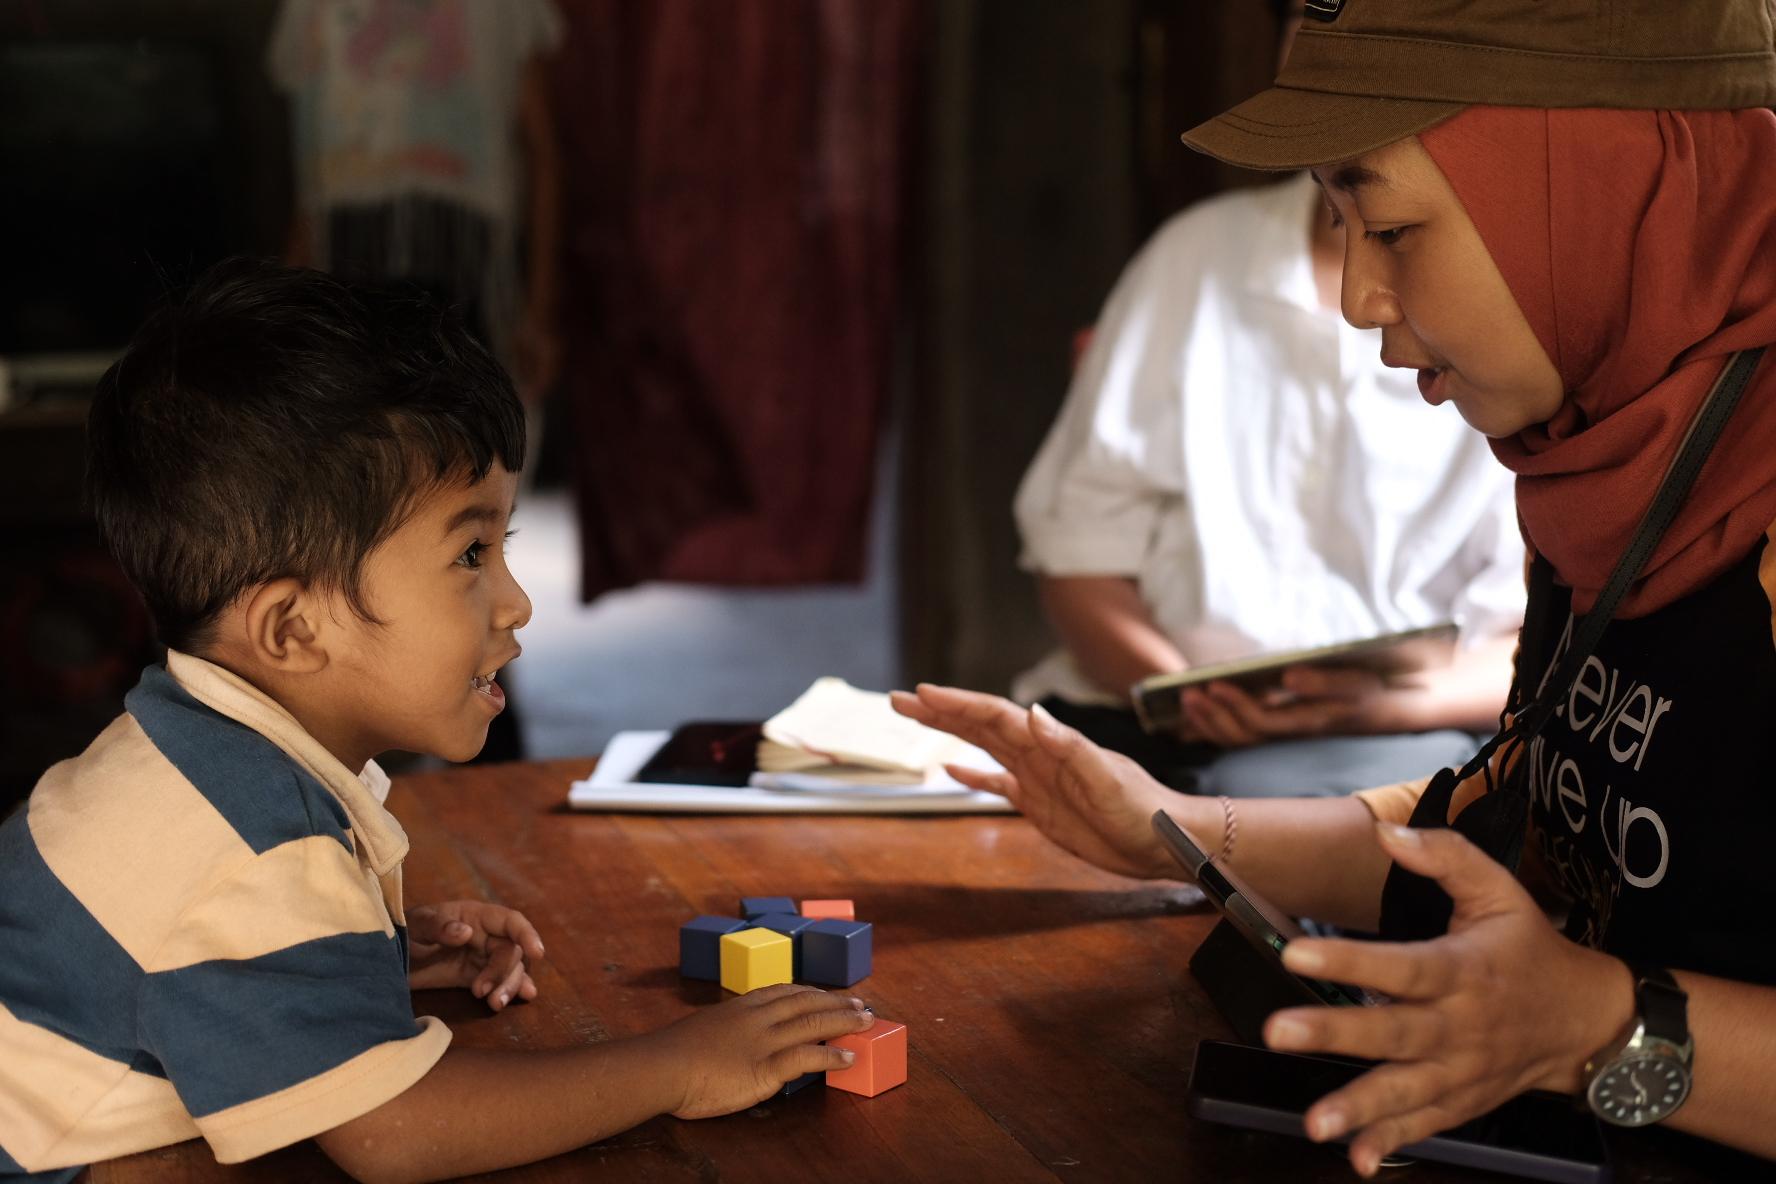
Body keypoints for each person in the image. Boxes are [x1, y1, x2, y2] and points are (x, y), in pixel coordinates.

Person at [896, 0, 1776, 1175]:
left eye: (1395, 227)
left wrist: (1596, 1027)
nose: (1361, 298)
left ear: (1607, 192)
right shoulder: (1607, 468)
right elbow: (1514, 827)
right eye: (1339, 224)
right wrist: (1172, 828)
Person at [0, 262, 872, 1184]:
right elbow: (396, 1134)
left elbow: (167, 963)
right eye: (469, 553)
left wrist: (364, 958)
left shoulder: (186, 749)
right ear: (292, 628)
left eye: (505, 546)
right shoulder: (254, 844)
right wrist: (677, 1066)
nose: (518, 602)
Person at [1014, 4, 1523, 798]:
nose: (1366, 302)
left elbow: (1535, 653)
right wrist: (1182, 692)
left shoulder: (1508, 307)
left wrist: (1362, 711)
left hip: (1396, 742)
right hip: (1142, 715)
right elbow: (1077, 556)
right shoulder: (1196, 259)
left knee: (1385, 805)